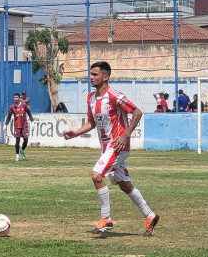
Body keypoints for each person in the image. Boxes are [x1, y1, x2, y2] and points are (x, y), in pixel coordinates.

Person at [62, 61, 160, 236]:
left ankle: (106, 218)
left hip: (118, 145)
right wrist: (75, 133)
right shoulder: (91, 98)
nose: (91, 77)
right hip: (107, 147)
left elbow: (137, 112)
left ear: (105, 76)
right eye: (90, 74)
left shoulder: (115, 95)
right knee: (124, 184)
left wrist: (126, 134)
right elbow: (92, 123)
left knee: (97, 175)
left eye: (95, 74)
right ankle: (150, 215)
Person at [5, 92, 34, 161]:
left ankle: (22, 150)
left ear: (19, 98)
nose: (15, 98)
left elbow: (29, 113)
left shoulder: (24, 105)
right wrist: (5, 124)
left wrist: (32, 121)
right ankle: (17, 155)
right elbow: (9, 117)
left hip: (24, 125)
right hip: (17, 126)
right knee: (17, 141)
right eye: (14, 97)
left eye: (17, 97)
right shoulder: (12, 107)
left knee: (26, 140)